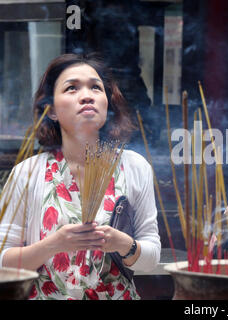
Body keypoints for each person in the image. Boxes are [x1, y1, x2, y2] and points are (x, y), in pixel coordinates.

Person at [0, 53, 161, 299]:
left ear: (107, 102)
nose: (87, 95)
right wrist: (53, 244)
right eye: (72, 88)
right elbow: (4, 261)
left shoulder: (135, 166)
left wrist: (122, 243)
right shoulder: (28, 172)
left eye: (96, 87)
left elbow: (151, 258)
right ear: (51, 110)